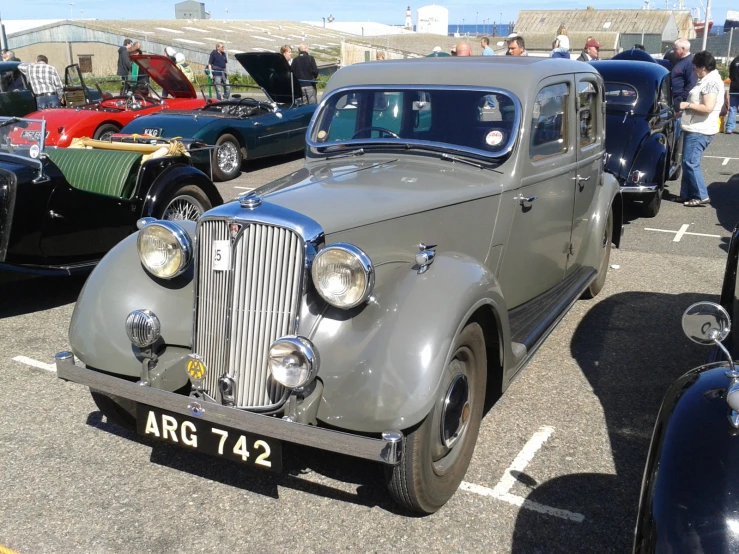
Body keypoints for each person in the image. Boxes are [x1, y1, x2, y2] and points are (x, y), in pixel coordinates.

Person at [678, 51, 723, 206]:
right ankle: (686, 194)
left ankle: (700, 195)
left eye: (695, 67)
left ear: (703, 67)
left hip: (700, 129)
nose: (693, 70)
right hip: (696, 126)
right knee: (687, 162)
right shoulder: (706, 80)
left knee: (690, 162)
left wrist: (686, 105)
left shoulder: (710, 83)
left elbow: (708, 107)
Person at [671, 38, 697, 109]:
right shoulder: (681, 61)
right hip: (674, 98)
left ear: (682, 49)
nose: (674, 51)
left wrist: (681, 98)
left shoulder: (689, 62)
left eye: (675, 49)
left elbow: (692, 83)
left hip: (680, 101)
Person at [725, 53, 739, 134]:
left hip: (734, 87)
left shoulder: (734, 61)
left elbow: (730, 75)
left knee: (733, 108)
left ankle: (729, 128)